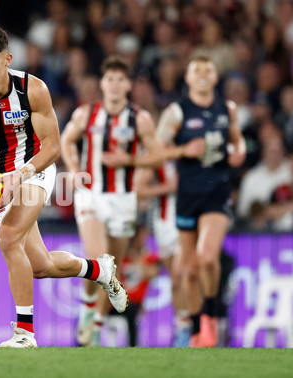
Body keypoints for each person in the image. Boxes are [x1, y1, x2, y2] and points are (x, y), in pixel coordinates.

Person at [0, 26, 128, 349]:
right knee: (41, 266)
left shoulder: (33, 89)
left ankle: (25, 334)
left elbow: (53, 147)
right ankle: (99, 269)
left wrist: (20, 175)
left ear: (8, 59)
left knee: (6, 238)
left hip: (34, 170)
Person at [60, 56, 194, 346]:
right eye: (111, 79)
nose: (116, 85)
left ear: (129, 84)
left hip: (123, 199)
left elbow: (157, 154)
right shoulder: (87, 114)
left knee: (111, 272)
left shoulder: (140, 118)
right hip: (91, 194)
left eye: (121, 80)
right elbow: (66, 140)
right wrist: (73, 169)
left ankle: (96, 324)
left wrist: (128, 160)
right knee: (98, 260)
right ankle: (86, 305)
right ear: (102, 84)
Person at [156, 55, 245, 347]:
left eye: (209, 69)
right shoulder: (177, 111)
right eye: (197, 69)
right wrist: (183, 151)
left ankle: (210, 317)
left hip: (217, 192)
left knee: (208, 257)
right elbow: (156, 151)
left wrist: (238, 151)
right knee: (189, 269)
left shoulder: (226, 108)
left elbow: (236, 139)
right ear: (188, 78)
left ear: (216, 78)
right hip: (187, 195)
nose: (204, 74)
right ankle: (196, 330)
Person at [133, 163, 191, 347]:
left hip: (190, 219)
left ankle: (191, 325)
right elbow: (139, 188)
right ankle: (183, 326)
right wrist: (168, 187)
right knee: (176, 279)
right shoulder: (159, 154)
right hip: (165, 224)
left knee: (185, 275)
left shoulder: (190, 150)